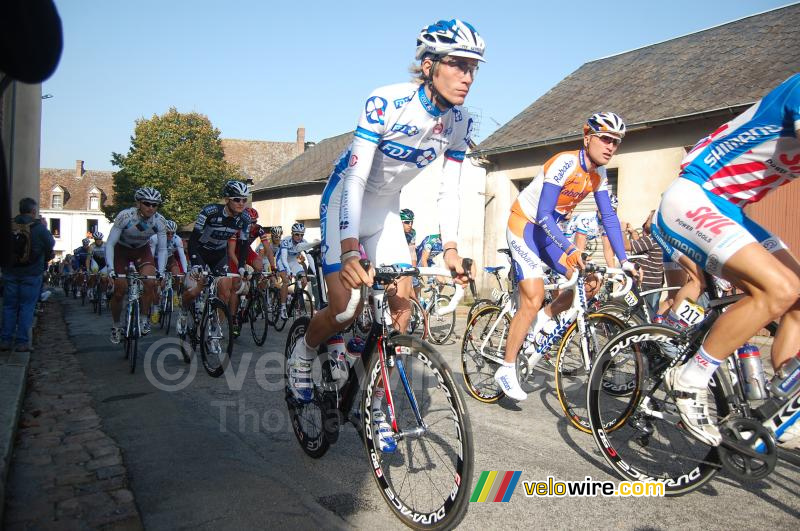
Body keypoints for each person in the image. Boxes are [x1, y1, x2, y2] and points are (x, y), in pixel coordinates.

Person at [287, 18, 482, 452]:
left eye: (473, 68)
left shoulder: (459, 123)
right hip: (346, 203)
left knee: (401, 312)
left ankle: (375, 401)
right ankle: (303, 354)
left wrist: (449, 246)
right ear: (429, 64)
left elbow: (450, 189)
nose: (467, 77)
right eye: (457, 65)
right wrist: (351, 247)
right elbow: (355, 177)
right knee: (345, 308)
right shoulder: (387, 102)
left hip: (387, 210)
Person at [653, 73, 800, 447]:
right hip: (694, 197)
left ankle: (784, 400)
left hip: (730, 211)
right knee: (780, 288)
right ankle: (691, 378)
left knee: (797, 298)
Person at [495, 112, 635, 401]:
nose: (611, 146)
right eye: (606, 139)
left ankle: (544, 319)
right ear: (588, 138)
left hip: (547, 233)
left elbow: (608, 216)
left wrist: (625, 261)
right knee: (532, 295)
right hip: (525, 225)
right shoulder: (565, 163)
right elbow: (544, 214)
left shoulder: (599, 174)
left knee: (588, 282)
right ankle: (507, 367)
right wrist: (571, 248)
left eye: (616, 142)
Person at [181, 180, 251, 331]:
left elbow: (244, 245)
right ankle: (184, 312)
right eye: (237, 199)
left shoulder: (245, 219)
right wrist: (195, 263)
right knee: (194, 291)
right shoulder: (210, 212)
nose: (241, 203)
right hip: (200, 252)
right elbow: (193, 239)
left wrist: (240, 267)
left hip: (219, 255)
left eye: (244, 199)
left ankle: (215, 329)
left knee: (225, 292)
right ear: (227, 199)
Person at [106, 187, 167, 343]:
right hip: (121, 250)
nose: (151, 208)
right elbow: (110, 243)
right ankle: (116, 325)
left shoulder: (159, 221)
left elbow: (162, 249)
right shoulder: (125, 216)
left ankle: (144, 317)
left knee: (150, 282)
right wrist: (111, 269)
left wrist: (161, 271)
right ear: (138, 203)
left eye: (155, 205)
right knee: (119, 290)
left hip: (142, 251)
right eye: (147, 203)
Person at [1, 197, 55, 351]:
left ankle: (5, 340)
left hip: (10, 272)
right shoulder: (38, 228)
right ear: (33, 211)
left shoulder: (10, 225)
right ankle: (22, 342)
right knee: (27, 307)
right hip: (31, 273)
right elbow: (50, 244)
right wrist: (45, 227)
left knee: (9, 306)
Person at [623, 211, 664, 316]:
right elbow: (641, 247)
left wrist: (621, 230)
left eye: (649, 219)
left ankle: (644, 331)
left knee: (644, 314)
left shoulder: (652, 239)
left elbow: (625, 246)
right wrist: (633, 233)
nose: (646, 221)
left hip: (646, 283)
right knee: (650, 312)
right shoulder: (659, 239)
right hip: (655, 283)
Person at [277, 222, 313, 319]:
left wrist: (314, 271)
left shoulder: (304, 242)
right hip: (282, 261)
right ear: (292, 233)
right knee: (285, 280)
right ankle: (283, 307)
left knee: (304, 280)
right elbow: (284, 259)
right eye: (297, 234)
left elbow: (309, 258)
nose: (299, 237)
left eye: (301, 235)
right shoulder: (286, 241)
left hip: (293, 261)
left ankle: (293, 297)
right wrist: (288, 271)